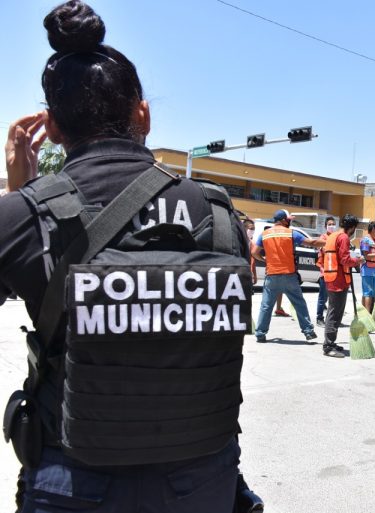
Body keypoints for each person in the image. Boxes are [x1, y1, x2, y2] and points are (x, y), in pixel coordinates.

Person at [0, 3, 254, 510]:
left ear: (48, 127)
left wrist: (19, 193)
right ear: (143, 114)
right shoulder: (219, 213)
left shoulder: (22, 215)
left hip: (72, 484)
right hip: (202, 481)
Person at [253, 209, 324, 342]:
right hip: (289, 275)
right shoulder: (291, 233)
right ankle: (308, 331)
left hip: (272, 275)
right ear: (284, 220)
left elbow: (255, 252)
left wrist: (265, 260)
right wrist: (329, 242)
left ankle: (260, 333)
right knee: (299, 304)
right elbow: (312, 243)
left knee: (266, 306)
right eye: (289, 219)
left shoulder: (265, 234)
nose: (290, 221)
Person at [321, 214, 361, 358]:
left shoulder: (333, 235)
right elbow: (345, 259)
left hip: (331, 278)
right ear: (351, 228)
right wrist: (357, 260)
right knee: (335, 314)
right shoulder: (343, 237)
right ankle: (329, 346)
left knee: (333, 311)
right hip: (338, 280)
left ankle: (330, 342)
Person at [315, 216, 336, 325]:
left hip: (334, 272)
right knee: (322, 297)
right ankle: (319, 318)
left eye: (333, 224)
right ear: (325, 226)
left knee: (331, 297)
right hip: (325, 271)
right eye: (329, 224)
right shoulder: (323, 237)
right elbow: (324, 250)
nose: (332, 226)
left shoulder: (335, 237)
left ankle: (329, 318)